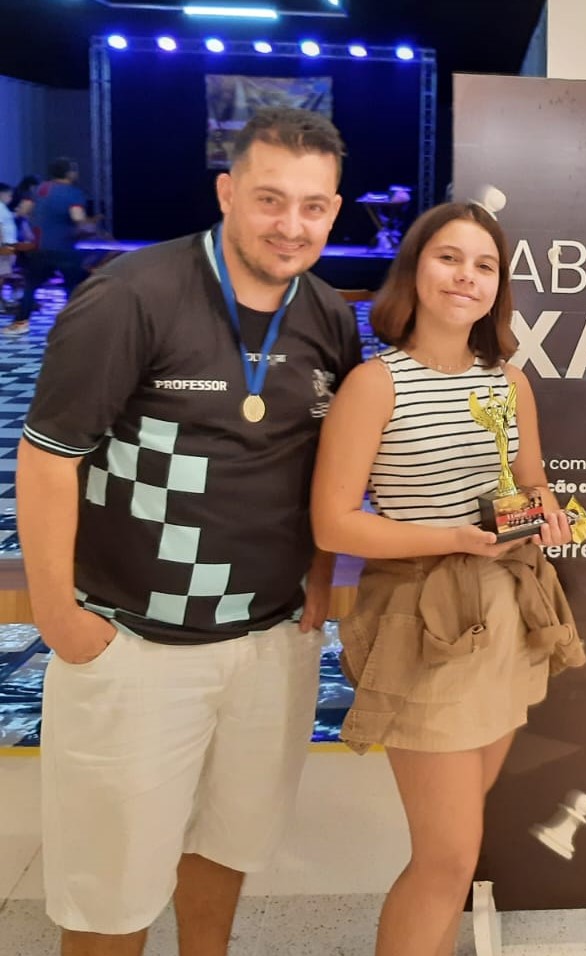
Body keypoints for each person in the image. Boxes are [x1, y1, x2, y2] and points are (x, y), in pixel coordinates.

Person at [17, 107, 360, 955]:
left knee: (226, 845)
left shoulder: (327, 315)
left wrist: (318, 583)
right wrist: (59, 617)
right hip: (136, 644)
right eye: (270, 199)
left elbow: (325, 466)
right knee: (110, 892)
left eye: (313, 206)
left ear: (334, 211)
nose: (291, 225)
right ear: (227, 192)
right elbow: (48, 458)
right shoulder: (133, 295)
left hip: (270, 640)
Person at [311, 201, 585, 956]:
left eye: (484, 265)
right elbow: (334, 524)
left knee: (456, 853)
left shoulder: (510, 383)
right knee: (447, 860)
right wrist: (455, 539)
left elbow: (531, 479)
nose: (467, 276)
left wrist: (547, 510)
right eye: (449, 258)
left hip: (509, 614)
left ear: (499, 287)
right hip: (424, 620)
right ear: (415, 270)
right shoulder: (376, 384)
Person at [6, 158, 92, 336]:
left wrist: (37, 222)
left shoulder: (39, 189)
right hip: (64, 248)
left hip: (40, 247)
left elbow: (23, 211)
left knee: (31, 287)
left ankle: (20, 323)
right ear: (69, 173)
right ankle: (76, 325)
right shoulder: (73, 193)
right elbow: (77, 217)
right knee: (72, 288)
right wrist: (86, 226)